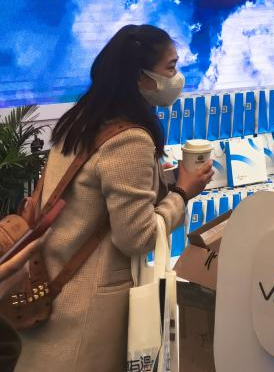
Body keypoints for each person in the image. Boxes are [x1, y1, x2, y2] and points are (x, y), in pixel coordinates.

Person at [16, 25, 213, 372]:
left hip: (51, 290)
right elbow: (136, 237)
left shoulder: (82, 121)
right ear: (141, 77)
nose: (177, 77)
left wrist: (161, 181)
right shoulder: (129, 140)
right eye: (170, 67)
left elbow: (91, 198)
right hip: (86, 313)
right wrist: (183, 193)